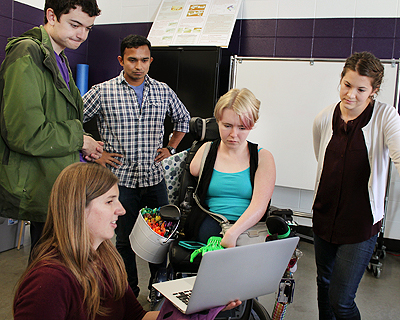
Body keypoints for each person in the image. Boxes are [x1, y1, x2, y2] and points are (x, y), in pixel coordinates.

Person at [13, 162, 241, 319]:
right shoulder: (49, 281)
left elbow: (138, 317)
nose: (121, 210)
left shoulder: (106, 259)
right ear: (78, 208)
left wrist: (200, 307)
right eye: (110, 201)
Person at [83, 34, 190, 297]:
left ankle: (158, 286)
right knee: (122, 241)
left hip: (154, 179)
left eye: (144, 60)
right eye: (132, 60)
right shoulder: (102, 91)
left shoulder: (162, 90)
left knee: (161, 238)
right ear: (121, 60)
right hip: (120, 182)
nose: (138, 66)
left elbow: (184, 121)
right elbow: (71, 120)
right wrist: (97, 152)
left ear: (150, 61)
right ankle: (128, 289)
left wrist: (171, 148)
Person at [0, 0, 103, 254]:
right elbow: (25, 133)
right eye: (75, 24)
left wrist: (85, 143)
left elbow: (60, 118)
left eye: (88, 28)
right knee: (47, 271)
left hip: (59, 183)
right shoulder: (27, 52)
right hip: (41, 184)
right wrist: (79, 139)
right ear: (51, 15)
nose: (82, 34)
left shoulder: (59, 57)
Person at [312, 51, 400, 319]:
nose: (351, 94)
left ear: (373, 90)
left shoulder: (386, 117)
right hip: (324, 216)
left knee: (342, 300)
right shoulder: (325, 117)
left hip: (360, 223)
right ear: (341, 80)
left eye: (361, 89)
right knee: (323, 287)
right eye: (347, 85)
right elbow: (322, 158)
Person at [184, 88, 276, 248]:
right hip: (210, 220)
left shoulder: (263, 158)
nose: (233, 134)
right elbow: (193, 172)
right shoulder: (205, 151)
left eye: (242, 128)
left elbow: (259, 206)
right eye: (227, 126)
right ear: (217, 121)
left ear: (252, 125)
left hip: (249, 227)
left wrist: (232, 233)